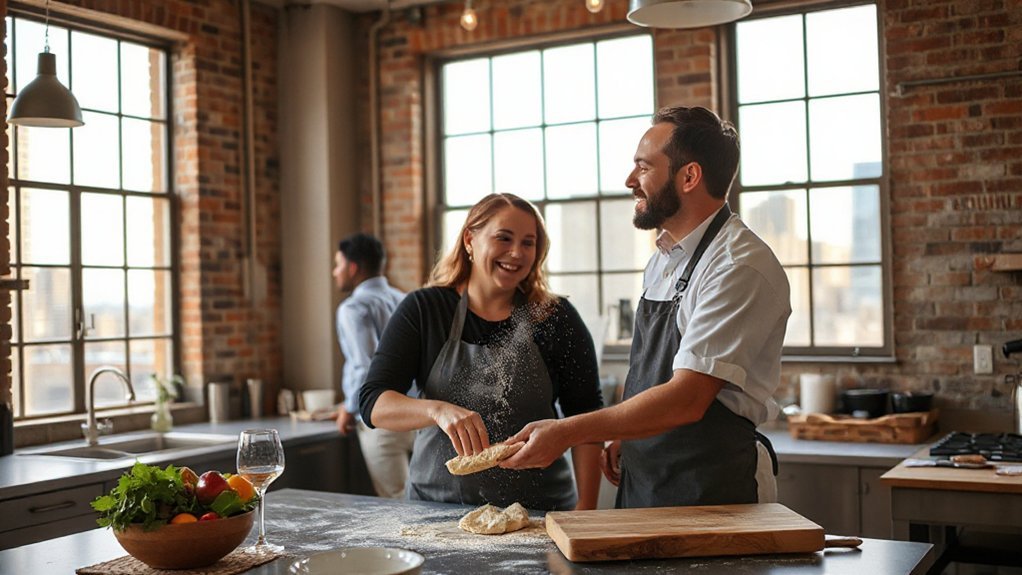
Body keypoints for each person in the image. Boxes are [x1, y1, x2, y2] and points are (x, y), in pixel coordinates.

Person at [501, 106, 791, 508]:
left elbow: (687, 398)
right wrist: (628, 432)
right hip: (645, 483)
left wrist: (568, 432)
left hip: (711, 489)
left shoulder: (738, 266)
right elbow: (654, 374)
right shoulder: (662, 260)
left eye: (643, 167)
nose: (630, 180)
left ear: (689, 177)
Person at [358, 193, 604, 511]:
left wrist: (586, 509)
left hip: (541, 513)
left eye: (528, 243)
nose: (516, 253)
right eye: (504, 238)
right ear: (469, 240)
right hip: (437, 512)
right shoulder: (424, 310)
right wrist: (437, 411)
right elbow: (373, 403)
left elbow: (586, 415)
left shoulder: (555, 317)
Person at [333, 232, 415, 499]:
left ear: (353, 267)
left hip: (381, 419)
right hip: (416, 414)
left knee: (396, 502)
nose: (335, 272)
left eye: (338, 265)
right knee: (423, 499)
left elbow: (365, 366)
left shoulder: (353, 308)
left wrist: (349, 407)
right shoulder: (405, 299)